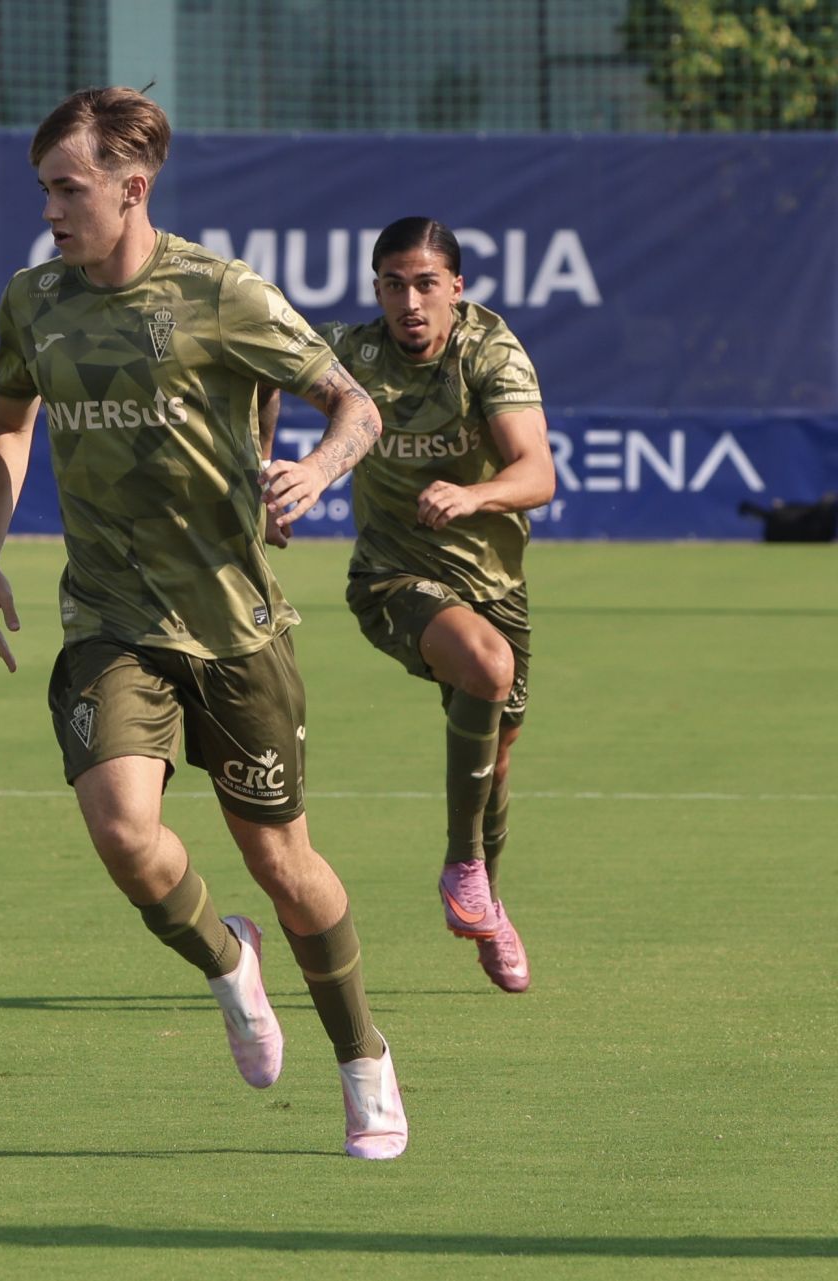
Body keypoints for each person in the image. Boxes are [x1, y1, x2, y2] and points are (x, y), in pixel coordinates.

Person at [0, 87, 406, 1159]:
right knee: (123, 830)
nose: (53, 211)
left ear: (133, 187)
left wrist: (315, 470)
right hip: (110, 617)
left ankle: (364, 1062)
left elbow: (357, 405)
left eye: (69, 190)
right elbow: (8, 422)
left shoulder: (219, 291)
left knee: (283, 863)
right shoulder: (34, 302)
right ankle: (225, 963)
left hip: (236, 626)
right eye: (45, 191)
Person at [311, 216, 554, 994]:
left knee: (498, 753)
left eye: (425, 283)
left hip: (493, 580)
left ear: (456, 286)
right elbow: (258, 373)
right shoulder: (353, 355)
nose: (409, 301)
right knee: (487, 665)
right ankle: (463, 866)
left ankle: (486, 897)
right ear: (376, 288)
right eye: (393, 284)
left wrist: (475, 493)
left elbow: (537, 473)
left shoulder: (488, 350)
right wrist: (269, 472)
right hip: (390, 576)